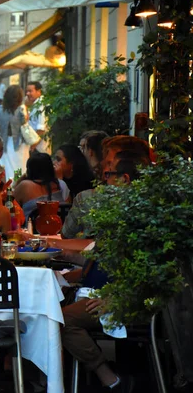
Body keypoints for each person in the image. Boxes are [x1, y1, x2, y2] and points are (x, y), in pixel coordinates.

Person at [60, 151, 151, 393]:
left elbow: (145, 273)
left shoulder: (140, 220)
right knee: (46, 308)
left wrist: (114, 299)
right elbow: (105, 262)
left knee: (59, 320)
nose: (103, 181)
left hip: (118, 298)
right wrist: (74, 274)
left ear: (126, 180)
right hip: (96, 291)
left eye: (109, 175)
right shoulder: (121, 214)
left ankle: (110, 379)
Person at [61, 136, 151, 239]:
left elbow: (66, 235)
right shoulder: (160, 202)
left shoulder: (88, 199)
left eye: (110, 164)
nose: (105, 170)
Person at [14, 152, 66, 221]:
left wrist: (18, 182)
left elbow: (9, 206)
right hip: (58, 228)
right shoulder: (59, 184)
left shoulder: (25, 185)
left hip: (32, 230)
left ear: (29, 170)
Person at [0, 85, 30, 181]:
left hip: (3, 143)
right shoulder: (22, 110)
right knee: (19, 168)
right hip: (19, 144)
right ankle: (16, 187)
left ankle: (7, 189)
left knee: (6, 168)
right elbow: (25, 124)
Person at [25, 81, 49, 154]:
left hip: (38, 149)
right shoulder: (35, 104)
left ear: (38, 91)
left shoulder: (41, 106)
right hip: (35, 147)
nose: (27, 94)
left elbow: (41, 130)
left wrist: (32, 146)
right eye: (27, 91)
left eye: (30, 91)